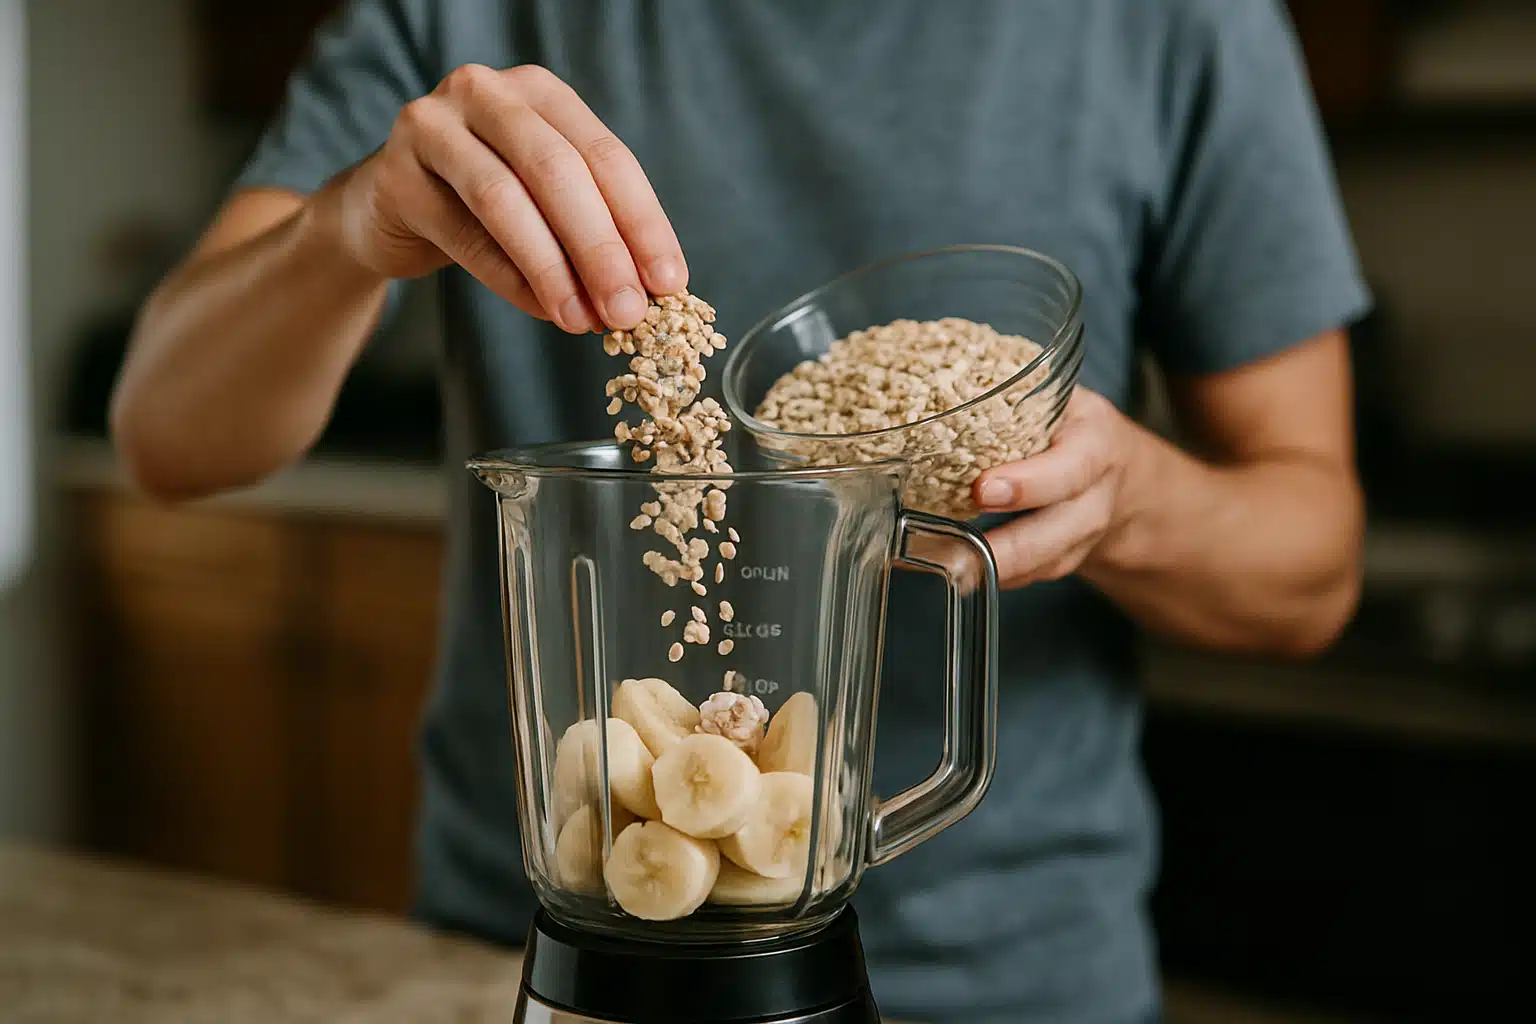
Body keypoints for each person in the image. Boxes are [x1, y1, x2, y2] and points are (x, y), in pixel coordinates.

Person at [111, 1, 1368, 1020]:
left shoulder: (1172, 20)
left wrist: (1128, 501)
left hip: (1012, 975)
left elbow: (1314, 572)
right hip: (530, 935)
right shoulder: (464, 14)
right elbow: (164, 435)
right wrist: (351, 224)